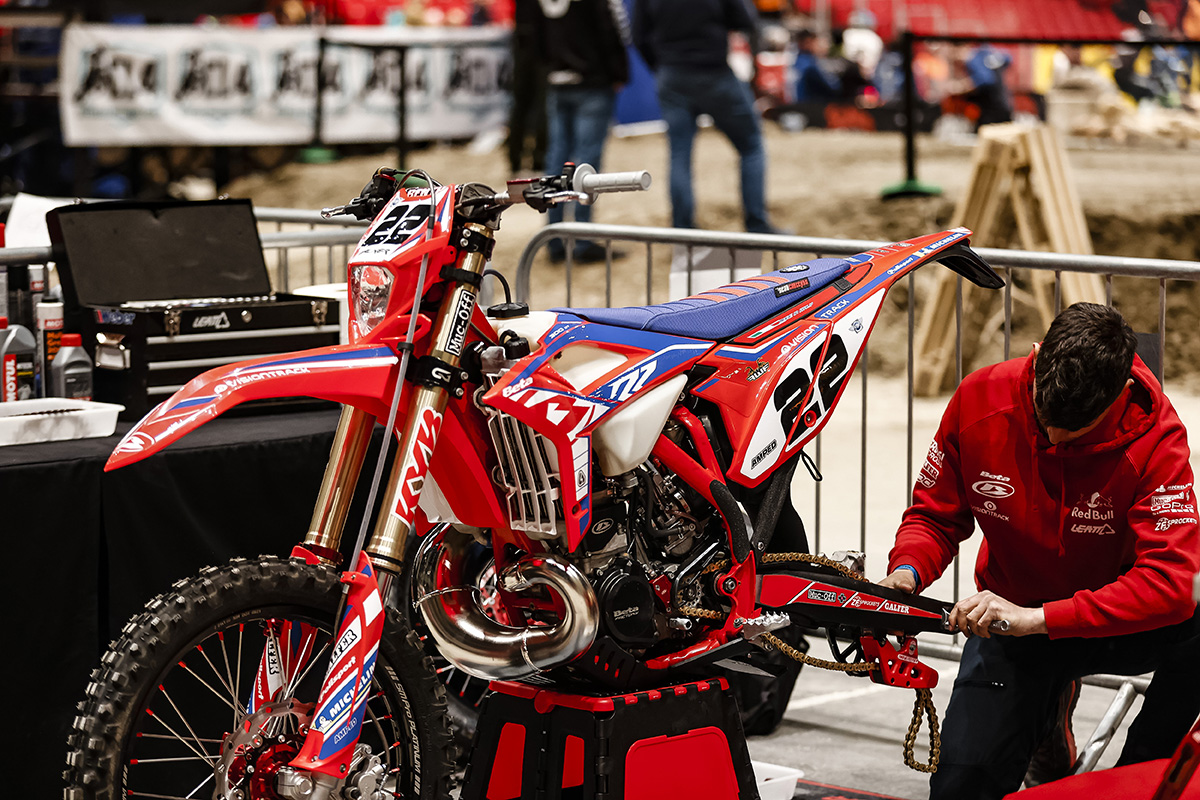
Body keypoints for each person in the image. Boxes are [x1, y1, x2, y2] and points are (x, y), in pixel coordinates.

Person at [878, 303, 1200, 800]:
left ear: (1121, 394)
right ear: (1036, 357)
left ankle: (1143, 778)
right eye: (1042, 419)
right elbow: (935, 515)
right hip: (1014, 622)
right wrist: (904, 577)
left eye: (1074, 435)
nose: (1051, 440)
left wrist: (1040, 618)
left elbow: (1171, 583)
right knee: (961, 788)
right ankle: (1043, 716)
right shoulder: (978, 397)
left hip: (1114, 621)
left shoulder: (1158, 438)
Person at [632, 0, 778, 234]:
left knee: (679, 153)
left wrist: (662, 67)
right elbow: (745, 21)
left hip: (672, 74)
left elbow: (638, 36)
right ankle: (757, 224)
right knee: (752, 146)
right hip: (714, 73)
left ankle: (682, 230)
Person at [533, 0, 630, 263]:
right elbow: (610, 29)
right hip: (591, 80)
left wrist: (549, 66)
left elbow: (531, 31)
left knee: (556, 158)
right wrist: (619, 71)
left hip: (559, 78)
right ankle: (583, 241)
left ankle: (553, 238)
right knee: (586, 163)